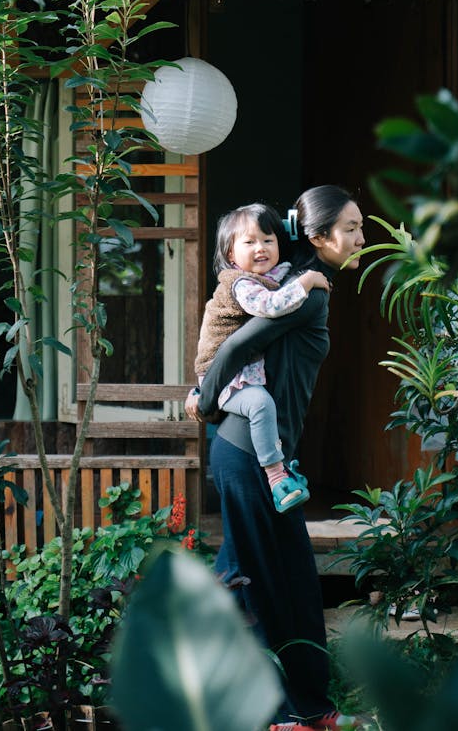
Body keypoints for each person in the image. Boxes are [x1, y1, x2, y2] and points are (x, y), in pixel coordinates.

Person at [185, 185, 365, 731]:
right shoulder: (303, 290)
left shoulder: (296, 281)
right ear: (318, 236)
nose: (362, 237)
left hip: (269, 453)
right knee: (260, 579)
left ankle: (310, 708)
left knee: (286, 578)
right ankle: (277, 711)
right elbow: (236, 347)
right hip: (243, 450)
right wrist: (206, 399)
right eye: (352, 228)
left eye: (361, 226)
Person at [194, 202, 330, 513]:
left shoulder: (270, 274)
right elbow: (272, 306)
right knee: (259, 403)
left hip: (241, 371)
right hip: (222, 373)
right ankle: (276, 476)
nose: (261, 248)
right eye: (249, 242)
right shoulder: (239, 283)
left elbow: (286, 278)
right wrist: (307, 281)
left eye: (269, 240)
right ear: (231, 255)